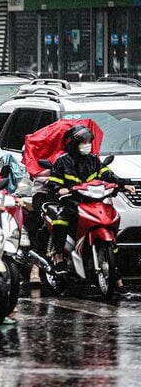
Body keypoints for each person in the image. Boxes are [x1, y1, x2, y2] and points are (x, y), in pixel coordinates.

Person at [47, 125, 136, 293]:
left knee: (111, 223)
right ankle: (59, 258)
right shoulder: (62, 161)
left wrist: (124, 184)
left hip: (94, 201)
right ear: (73, 144)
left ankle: (117, 281)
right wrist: (61, 189)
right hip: (72, 201)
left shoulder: (93, 160)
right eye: (83, 142)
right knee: (61, 219)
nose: (87, 145)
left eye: (89, 142)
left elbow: (109, 176)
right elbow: (54, 183)